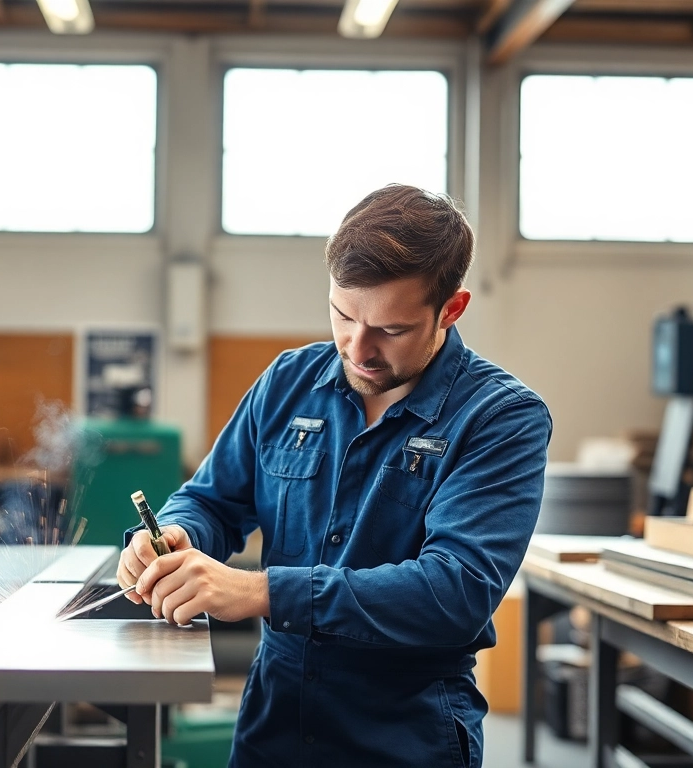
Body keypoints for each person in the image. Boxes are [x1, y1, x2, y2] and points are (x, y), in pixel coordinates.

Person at [117, 184, 551, 767]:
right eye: (343, 316)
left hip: (404, 739)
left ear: (451, 308)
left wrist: (263, 590)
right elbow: (212, 501)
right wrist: (170, 535)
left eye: (390, 330)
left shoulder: (500, 417)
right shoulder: (289, 381)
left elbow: (456, 591)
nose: (358, 348)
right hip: (272, 730)